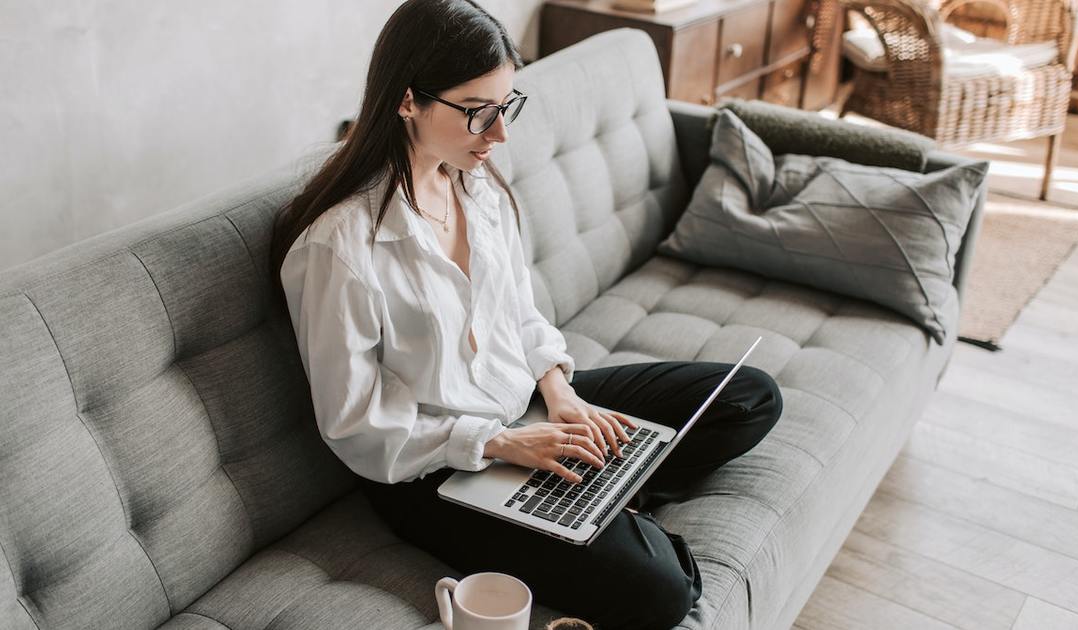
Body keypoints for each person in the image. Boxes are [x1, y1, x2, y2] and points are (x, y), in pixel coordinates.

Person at [270, 1, 784, 628]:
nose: (500, 134)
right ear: (408, 101)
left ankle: (599, 493)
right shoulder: (339, 247)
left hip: (528, 409)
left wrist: (561, 392)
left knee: (748, 397)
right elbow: (356, 424)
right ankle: (606, 502)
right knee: (661, 594)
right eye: (480, 113)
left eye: (507, 106)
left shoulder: (474, 185)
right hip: (436, 470)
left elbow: (520, 312)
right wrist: (502, 443)